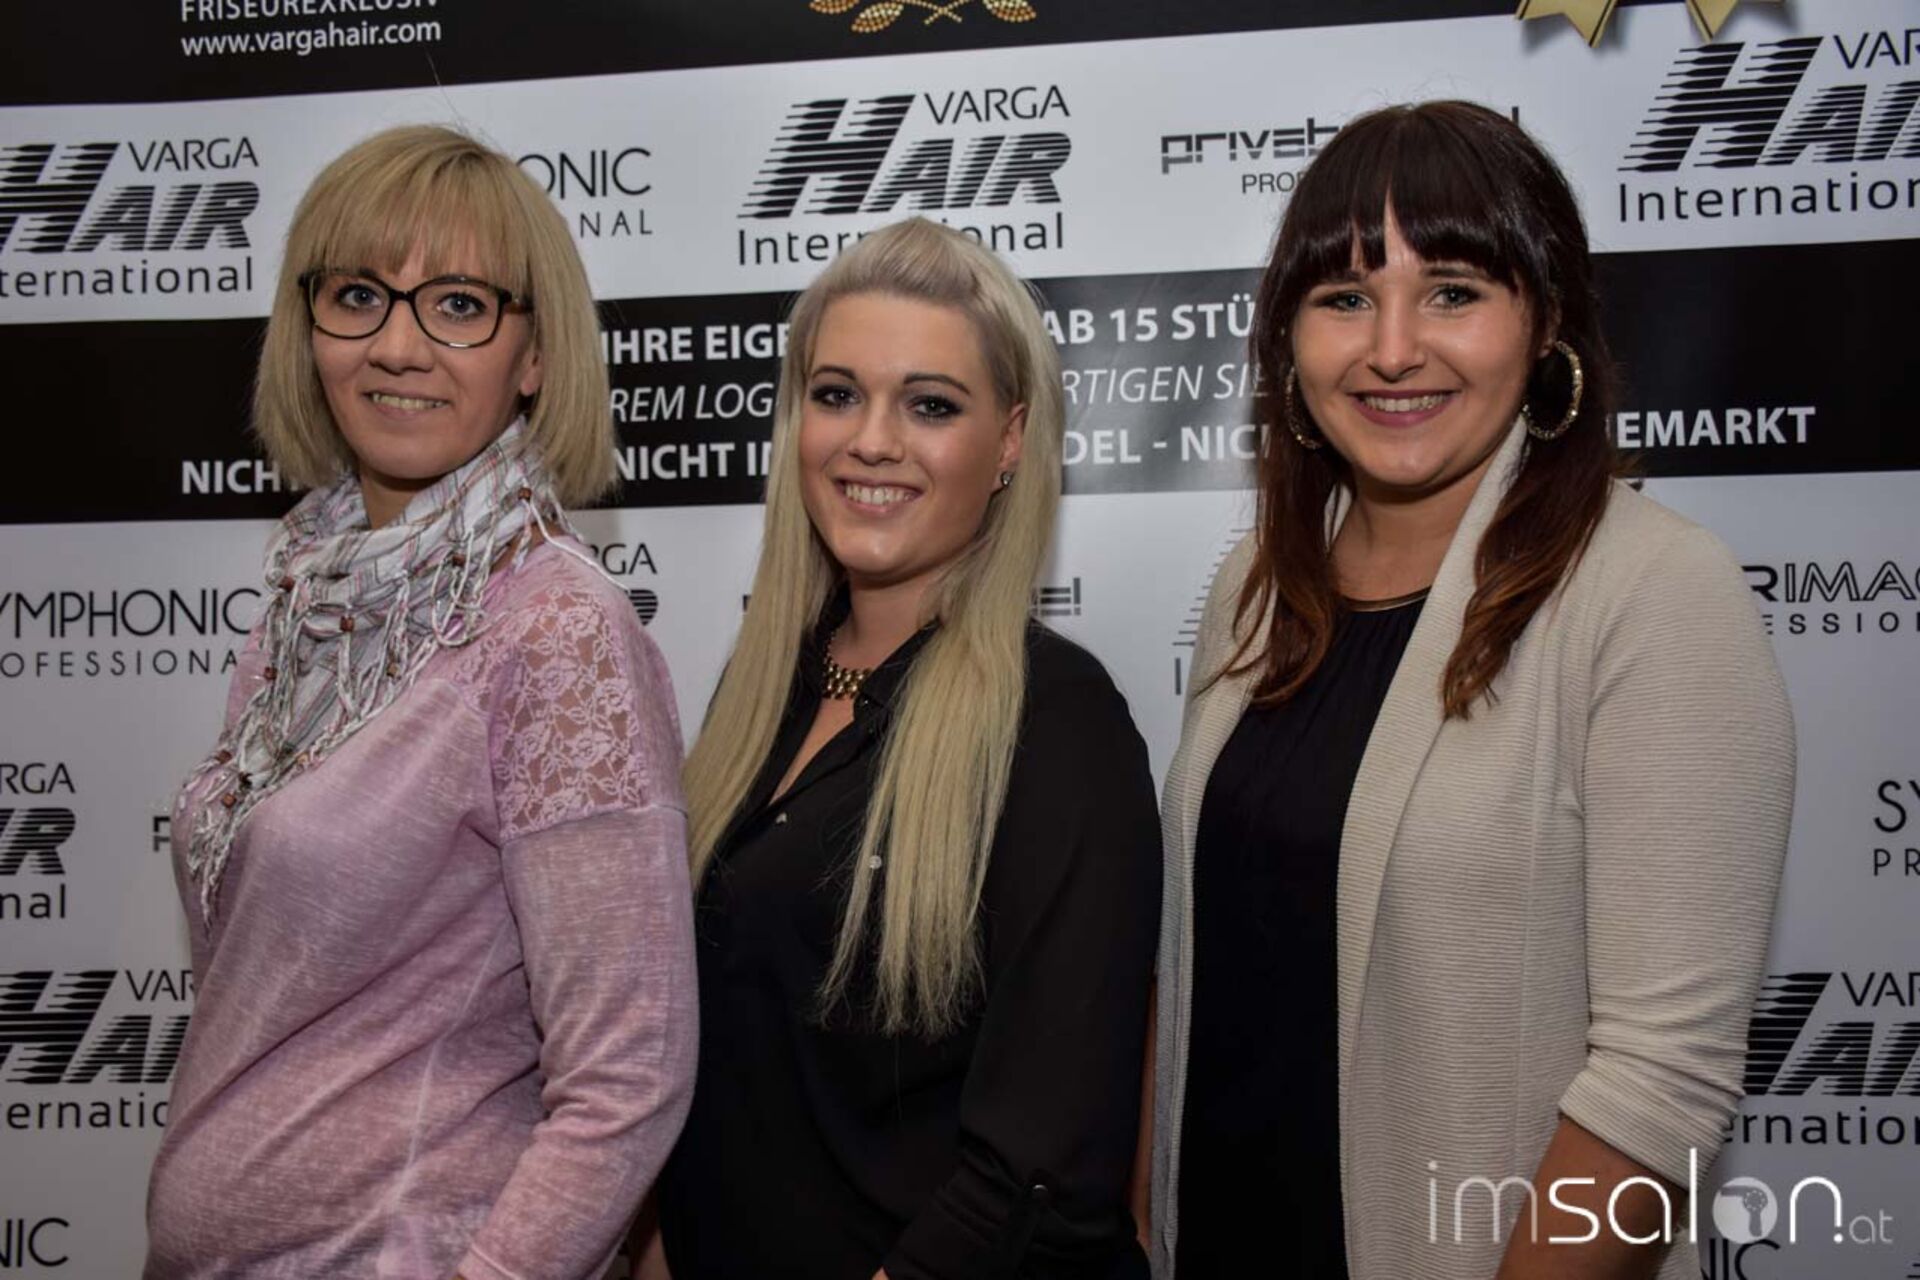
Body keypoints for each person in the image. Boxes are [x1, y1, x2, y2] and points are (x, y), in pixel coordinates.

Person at [1147, 102, 1794, 1280]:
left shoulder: (1653, 592)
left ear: (1546, 321)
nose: (1393, 348)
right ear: (1288, 336)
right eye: (1344, 297)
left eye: (1452, 291)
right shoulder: (1257, 583)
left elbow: (1659, 1088)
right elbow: (1201, 957)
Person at [146, 125, 698, 1280]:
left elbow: (628, 1074)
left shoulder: (552, 629)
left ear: (533, 355)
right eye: (358, 295)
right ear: (309, 327)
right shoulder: (308, 606)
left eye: (457, 306)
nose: (397, 345)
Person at [651, 217, 1160, 1279]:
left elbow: (1039, 1171)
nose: (872, 440)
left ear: (1010, 441)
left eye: (930, 405)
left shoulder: (1058, 723)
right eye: (838, 394)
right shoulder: (762, 691)